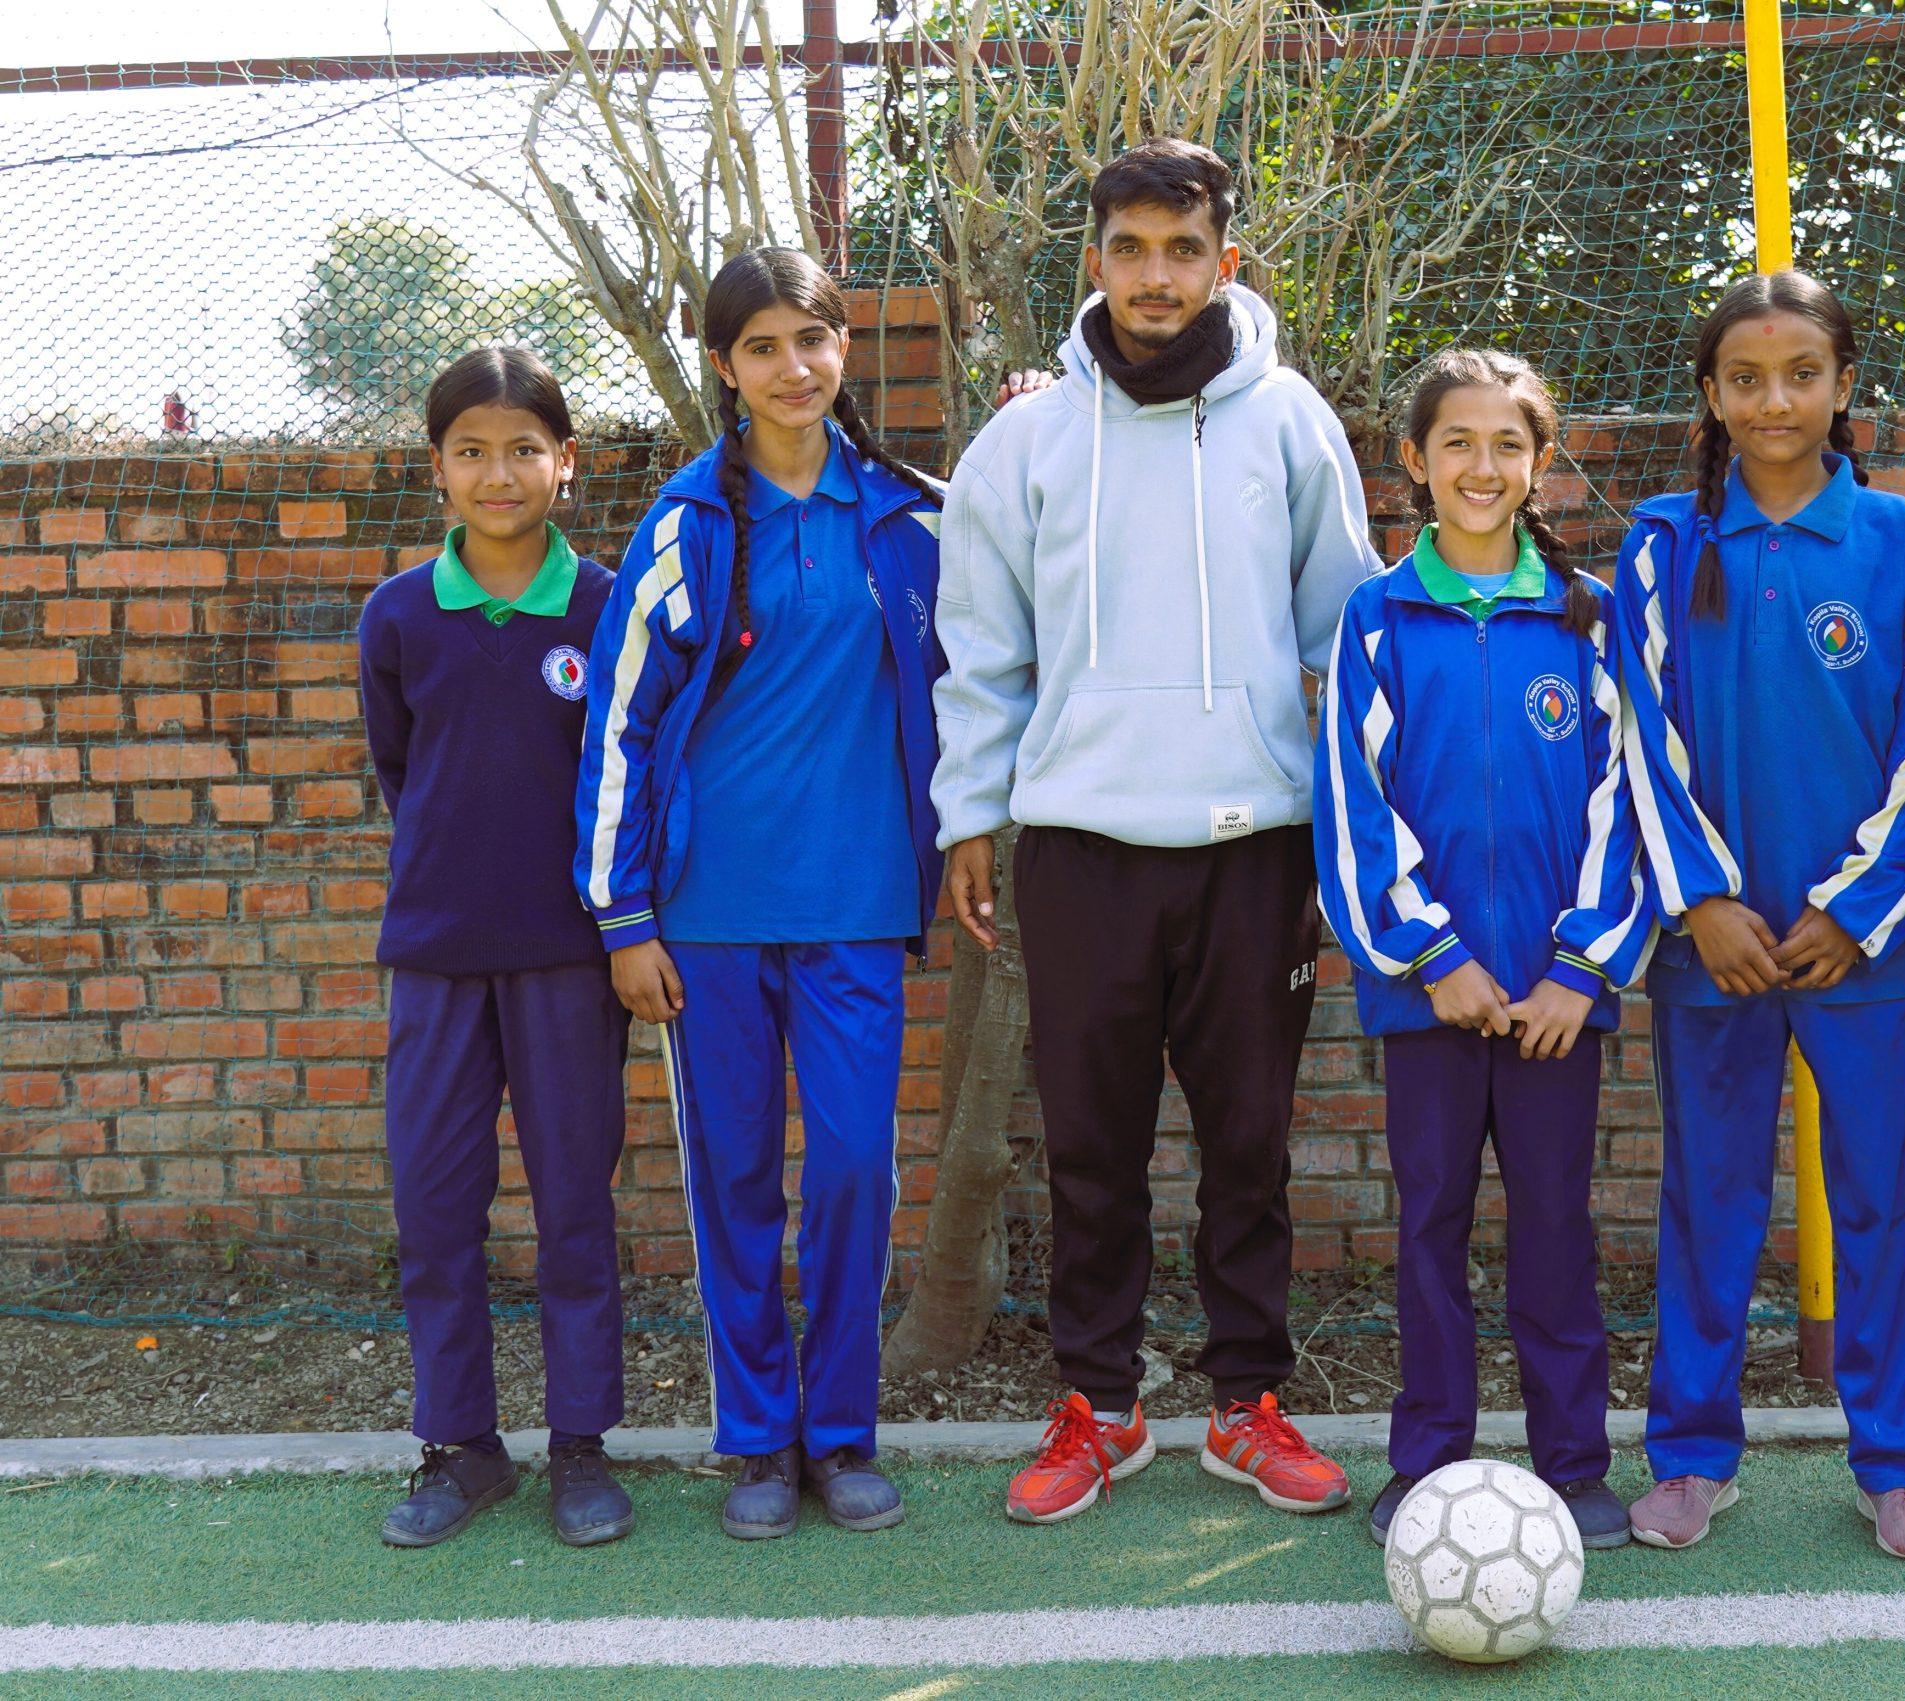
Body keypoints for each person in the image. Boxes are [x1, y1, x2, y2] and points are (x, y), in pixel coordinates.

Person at [932, 137, 1381, 1525]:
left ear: (1224, 260)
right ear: (1095, 259)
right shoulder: (1025, 439)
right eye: (1129, 248)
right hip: (1079, 846)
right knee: (1092, 1150)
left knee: (1247, 1147)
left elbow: (1345, 627)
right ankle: (1102, 1409)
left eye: (1182, 249)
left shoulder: (1292, 422)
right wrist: (970, 814)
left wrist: (1354, 823)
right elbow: (980, 651)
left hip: (1256, 841)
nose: (1154, 275)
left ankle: (1247, 1403)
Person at [573, 247, 946, 1540]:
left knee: (852, 1170)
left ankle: (842, 1433)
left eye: (817, 339)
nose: (797, 367)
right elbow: (617, 726)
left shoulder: (909, 520)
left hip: (858, 904)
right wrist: (624, 918)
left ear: (845, 352)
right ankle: (757, 1440)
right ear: (726, 369)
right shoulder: (684, 527)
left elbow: (1001, 648)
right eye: (766, 346)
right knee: (735, 1177)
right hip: (709, 918)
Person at [1615, 272, 1905, 1560]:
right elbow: (1640, 736)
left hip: (1856, 950)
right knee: (1711, 1196)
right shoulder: (1662, 538)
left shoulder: (1903, 540)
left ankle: (1897, 1462)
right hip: (1710, 944)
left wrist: (1860, 910)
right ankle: (1691, 1454)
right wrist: (1701, 898)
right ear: (1710, 394)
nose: (1777, 400)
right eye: (1748, 378)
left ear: (1841, 384)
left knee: (1878, 1197)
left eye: (1802, 374)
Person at [1317, 349, 1666, 1552]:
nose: (1482, 464)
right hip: (1436, 1002)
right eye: (1456, 442)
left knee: (1557, 1230)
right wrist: (1431, 956)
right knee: (1430, 1228)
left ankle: (1573, 1464)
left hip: (1554, 1003)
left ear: (1538, 462)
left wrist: (1579, 968)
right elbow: (1352, 810)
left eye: (1507, 444)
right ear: (1414, 461)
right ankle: (1429, 1463)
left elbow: (1629, 799)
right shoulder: (1377, 616)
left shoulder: (1588, 615)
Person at [359, 346, 633, 1549]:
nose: (500, 471)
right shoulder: (400, 615)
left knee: (574, 1202)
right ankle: (458, 1445)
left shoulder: (606, 608)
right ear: (438, 469)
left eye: (525, 447)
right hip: (434, 959)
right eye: (472, 449)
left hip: (570, 961)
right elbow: (399, 770)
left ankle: (582, 1445)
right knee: (433, 1207)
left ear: (565, 464)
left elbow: (634, 776)